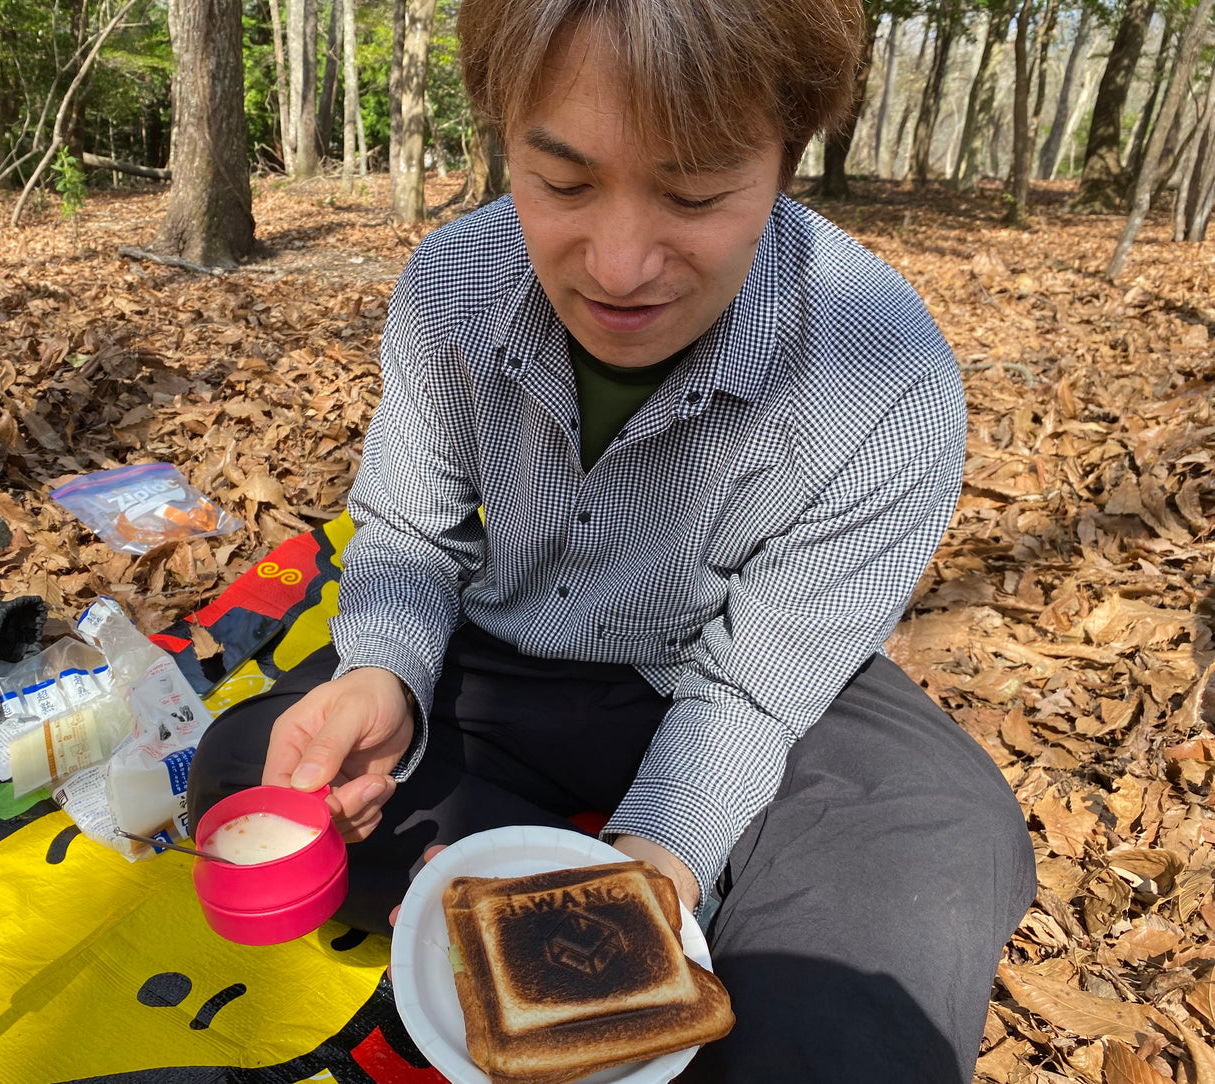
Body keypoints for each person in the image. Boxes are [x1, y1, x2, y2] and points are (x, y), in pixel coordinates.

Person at [189, 0, 1036, 1078]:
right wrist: (382, 674)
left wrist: (662, 850)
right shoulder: (451, 287)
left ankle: (626, 894)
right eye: (562, 182)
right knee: (247, 769)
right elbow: (409, 532)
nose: (619, 266)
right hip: (514, 657)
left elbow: (756, 689)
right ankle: (692, 919)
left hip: (741, 675)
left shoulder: (885, 376)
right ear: (505, 138)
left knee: (933, 847)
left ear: (787, 155)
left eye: (692, 193)